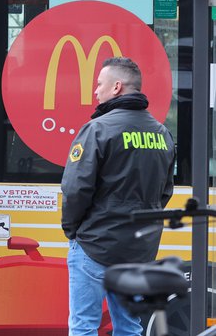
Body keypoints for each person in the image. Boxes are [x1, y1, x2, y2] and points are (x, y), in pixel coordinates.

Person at [61, 57, 175, 336]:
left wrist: (73, 231)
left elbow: (76, 189)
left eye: (99, 84)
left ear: (117, 87)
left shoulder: (97, 129)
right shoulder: (162, 134)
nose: (95, 91)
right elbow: (164, 192)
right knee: (128, 327)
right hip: (139, 251)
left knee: (84, 326)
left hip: (95, 245)